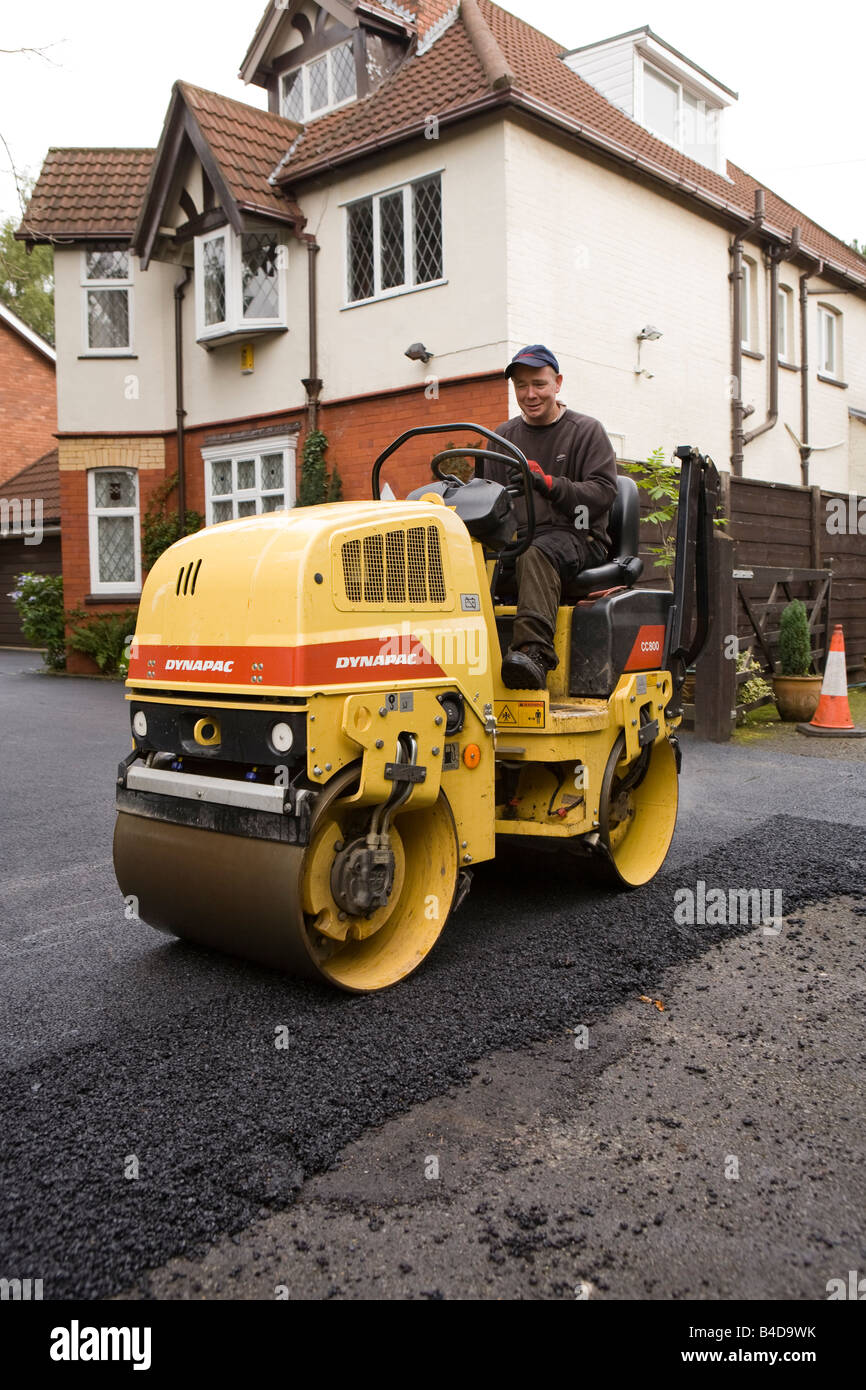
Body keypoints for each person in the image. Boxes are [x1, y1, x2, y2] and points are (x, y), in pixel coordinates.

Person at [480, 345, 618, 690]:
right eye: (521, 386)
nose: (530, 394)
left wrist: (550, 484)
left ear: (557, 383)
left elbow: (602, 494)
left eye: (539, 384)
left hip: (578, 536)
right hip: (517, 538)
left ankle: (533, 653)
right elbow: (486, 497)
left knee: (536, 551)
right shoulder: (501, 439)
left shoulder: (586, 432)